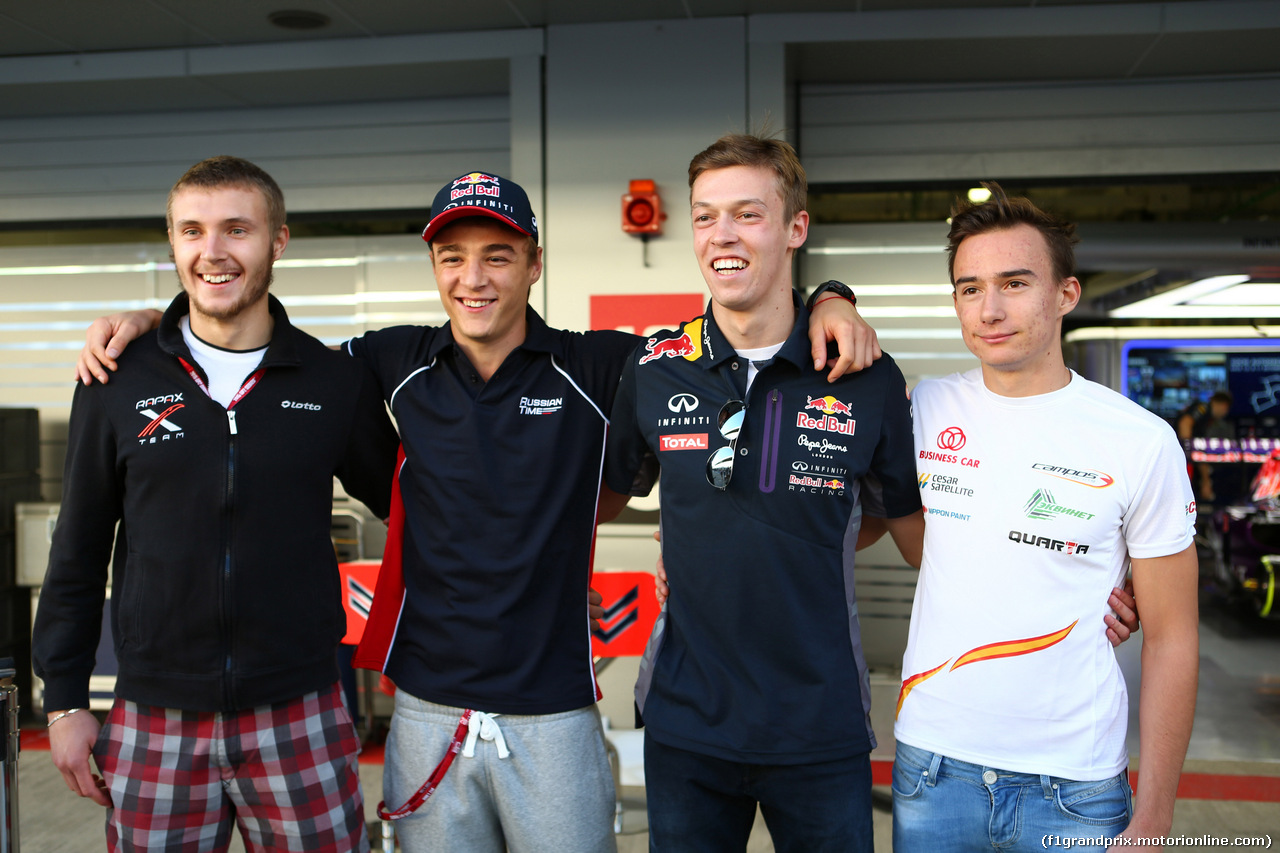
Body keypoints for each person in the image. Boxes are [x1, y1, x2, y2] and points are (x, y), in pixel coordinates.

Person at [75, 168, 880, 852]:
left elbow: (730, 330)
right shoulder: (387, 362)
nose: (474, 278)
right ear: (434, 265)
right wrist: (151, 324)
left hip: (556, 709)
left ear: (534, 263)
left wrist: (827, 299)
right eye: (453, 257)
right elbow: (252, 343)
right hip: (426, 709)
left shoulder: (602, 364)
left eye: (498, 256)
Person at [33, 156, 400, 852]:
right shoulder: (115, 378)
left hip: (302, 708)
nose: (213, 251)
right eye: (192, 231)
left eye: (237, 229)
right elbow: (76, 550)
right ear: (171, 243)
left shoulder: (333, 382)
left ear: (278, 241)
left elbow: (417, 515)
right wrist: (66, 701)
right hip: (153, 712)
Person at [605, 133, 925, 852]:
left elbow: (912, 533)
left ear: (795, 229)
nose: (723, 235)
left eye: (748, 214)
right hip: (687, 725)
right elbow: (597, 499)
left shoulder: (864, 375)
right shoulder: (655, 366)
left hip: (820, 727)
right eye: (705, 215)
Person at [891, 184, 1199, 851]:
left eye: (1014, 282)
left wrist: (1153, 817)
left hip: (1075, 786)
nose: (990, 308)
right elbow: (930, 548)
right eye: (969, 288)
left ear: (1066, 293)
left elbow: (1175, 638)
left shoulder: (1138, 440)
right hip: (932, 769)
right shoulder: (919, 410)